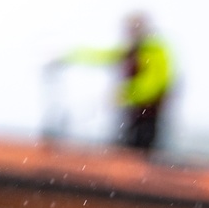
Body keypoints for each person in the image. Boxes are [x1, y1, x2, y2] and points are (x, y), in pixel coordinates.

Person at [62, 13, 175, 153]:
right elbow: (102, 56)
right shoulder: (131, 50)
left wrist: (126, 93)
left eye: (132, 28)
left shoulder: (154, 51)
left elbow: (155, 83)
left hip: (148, 118)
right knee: (124, 148)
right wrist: (66, 56)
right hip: (131, 115)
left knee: (141, 151)